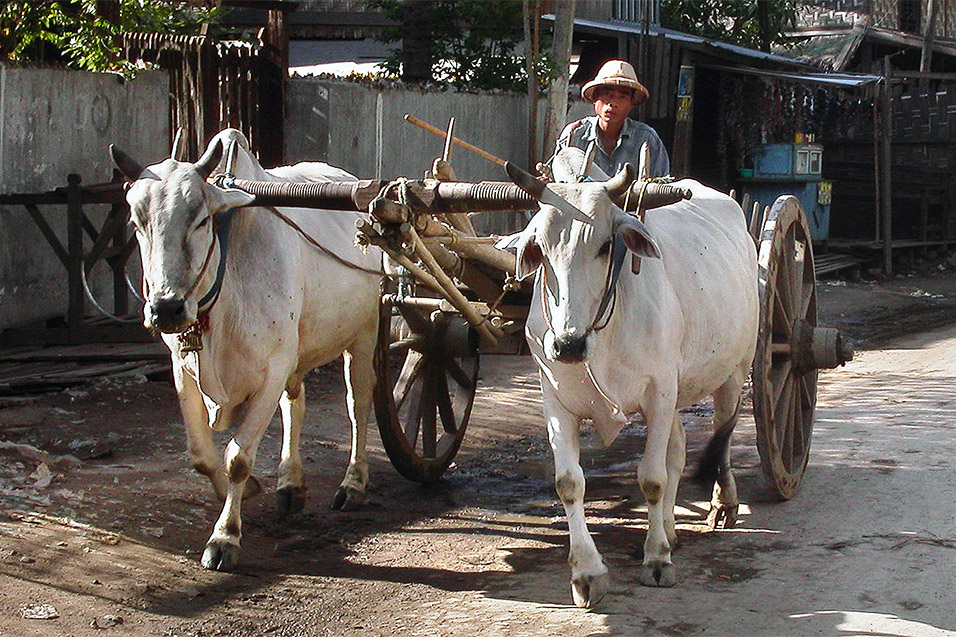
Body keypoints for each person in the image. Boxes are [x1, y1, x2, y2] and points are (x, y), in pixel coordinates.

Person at [552, 59, 670, 179]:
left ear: (631, 104)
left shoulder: (647, 138)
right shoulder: (575, 134)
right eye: (607, 95)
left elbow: (661, 181)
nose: (613, 103)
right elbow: (557, 178)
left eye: (622, 97)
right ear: (594, 99)